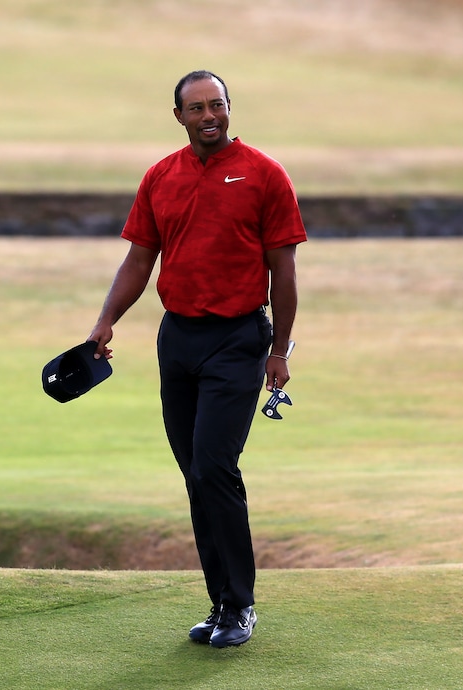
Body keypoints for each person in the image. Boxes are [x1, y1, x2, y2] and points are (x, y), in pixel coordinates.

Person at [87, 70, 307, 648]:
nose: (209, 116)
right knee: (195, 475)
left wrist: (278, 349)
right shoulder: (161, 176)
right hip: (177, 338)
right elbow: (139, 260)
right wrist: (107, 319)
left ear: (229, 109)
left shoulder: (264, 174)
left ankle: (241, 606)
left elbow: (283, 269)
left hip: (238, 339)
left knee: (215, 467)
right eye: (197, 108)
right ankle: (220, 603)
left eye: (218, 105)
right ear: (180, 116)